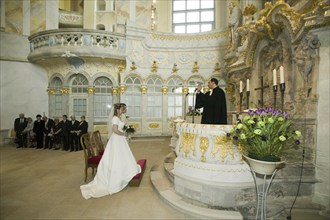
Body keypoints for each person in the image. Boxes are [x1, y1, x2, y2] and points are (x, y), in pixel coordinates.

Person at [80, 103, 141, 199]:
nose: (123, 110)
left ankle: (125, 170)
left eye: (124, 109)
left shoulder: (120, 117)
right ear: (117, 110)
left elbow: (121, 127)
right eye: (122, 109)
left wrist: (126, 131)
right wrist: (124, 134)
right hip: (117, 139)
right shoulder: (115, 119)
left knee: (123, 156)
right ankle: (116, 176)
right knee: (116, 157)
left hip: (120, 139)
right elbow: (115, 130)